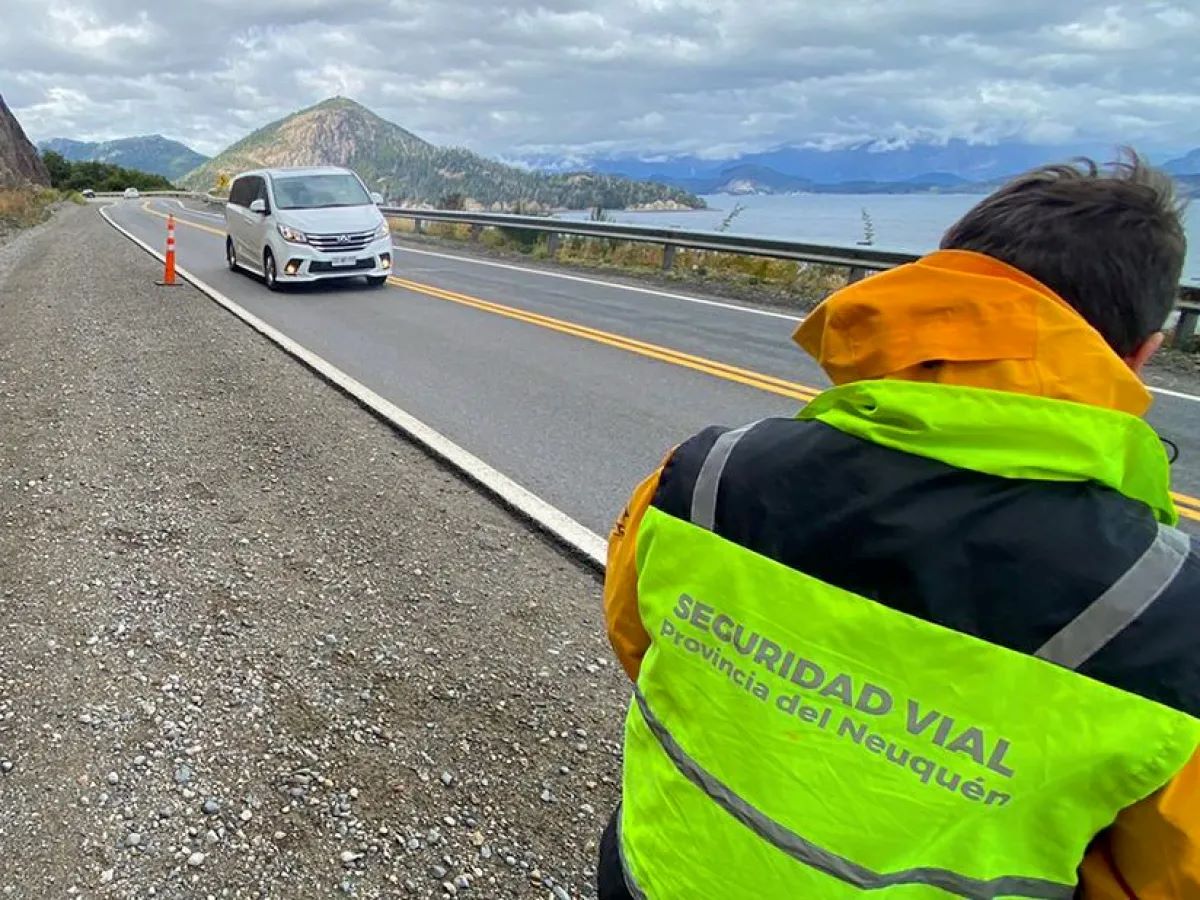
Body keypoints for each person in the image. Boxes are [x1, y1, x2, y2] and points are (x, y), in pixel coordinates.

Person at [598, 151, 1200, 899]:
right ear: (1142, 353)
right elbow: (1169, 876)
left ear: (938, 296)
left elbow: (635, 637)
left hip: (652, 874)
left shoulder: (711, 472)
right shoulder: (1169, 618)